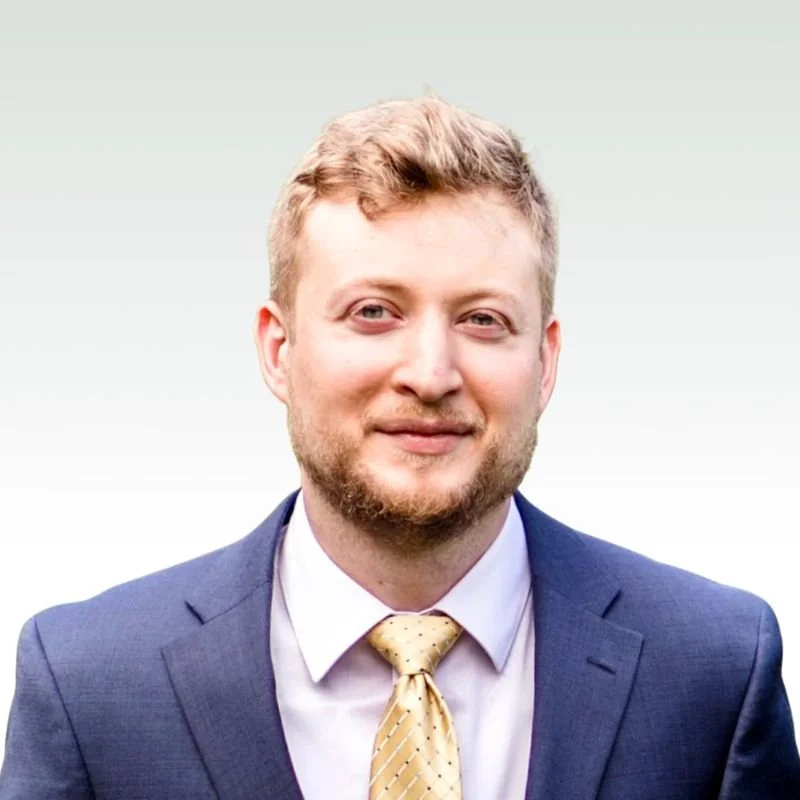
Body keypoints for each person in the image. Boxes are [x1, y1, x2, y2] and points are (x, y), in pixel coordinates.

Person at [1, 96, 798, 800]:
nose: (430, 374)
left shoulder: (715, 671)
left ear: (545, 361)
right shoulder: (89, 685)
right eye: (374, 312)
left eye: (483, 319)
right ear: (279, 350)